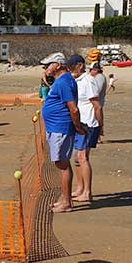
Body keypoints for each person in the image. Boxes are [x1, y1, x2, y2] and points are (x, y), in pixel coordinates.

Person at [41, 54, 87, 212]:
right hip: (56, 128)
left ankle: (67, 201)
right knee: (61, 163)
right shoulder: (62, 81)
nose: (45, 68)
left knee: (62, 163)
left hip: (61, 128)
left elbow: (73, 108)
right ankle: (64, 198)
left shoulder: (64, 82)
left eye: (48, 64)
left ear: (58, 65)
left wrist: (78, 126)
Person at [71, 63, 104, 202]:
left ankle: (87, 192)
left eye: (72, 68)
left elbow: (97, 105)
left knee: (82, 157)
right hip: (80, 123)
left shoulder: (89, 80)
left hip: (89, 124)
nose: (71, 71)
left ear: (79, 66)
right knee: (77, 158)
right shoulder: (77, 81)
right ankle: (80, 188)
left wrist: (100, 125)